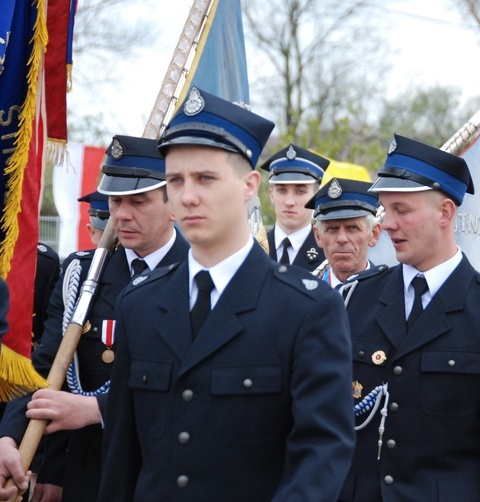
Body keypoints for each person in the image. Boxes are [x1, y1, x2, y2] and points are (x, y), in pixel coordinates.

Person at [98, 87, 354, 500]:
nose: (188, 195)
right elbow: (122, 457)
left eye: (206, 178)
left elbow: (321, 455)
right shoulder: (140, 303)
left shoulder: (305, 308)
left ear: (250, 185)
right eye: (176, 180)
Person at [339, 134, 480, 501]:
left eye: (402, 210)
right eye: (385, 210)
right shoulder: (356, 299)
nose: (387, 225)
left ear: (446, 213)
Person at [0, 135, 190, 502]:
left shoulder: (202, 275)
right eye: (116, 201)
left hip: (165, 468)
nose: (121, 215)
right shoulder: (83, 274)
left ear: (174, 205)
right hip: (91, 472)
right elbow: (46, 367)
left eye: (139, 201)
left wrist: (97, 409)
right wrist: (9, 437)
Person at [261, 143, 327, 272]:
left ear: (316, 196)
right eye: (281, 190)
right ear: (271, 195)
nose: (289, 202)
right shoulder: (253, 249)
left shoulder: (329, 253)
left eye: (300, 191)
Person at [306, 177, 382, 286]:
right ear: (318, 236)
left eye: (352, 228)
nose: (341, 239)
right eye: (332, 228)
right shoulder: (304, 298)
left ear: (374, 234)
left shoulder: (395, 294)